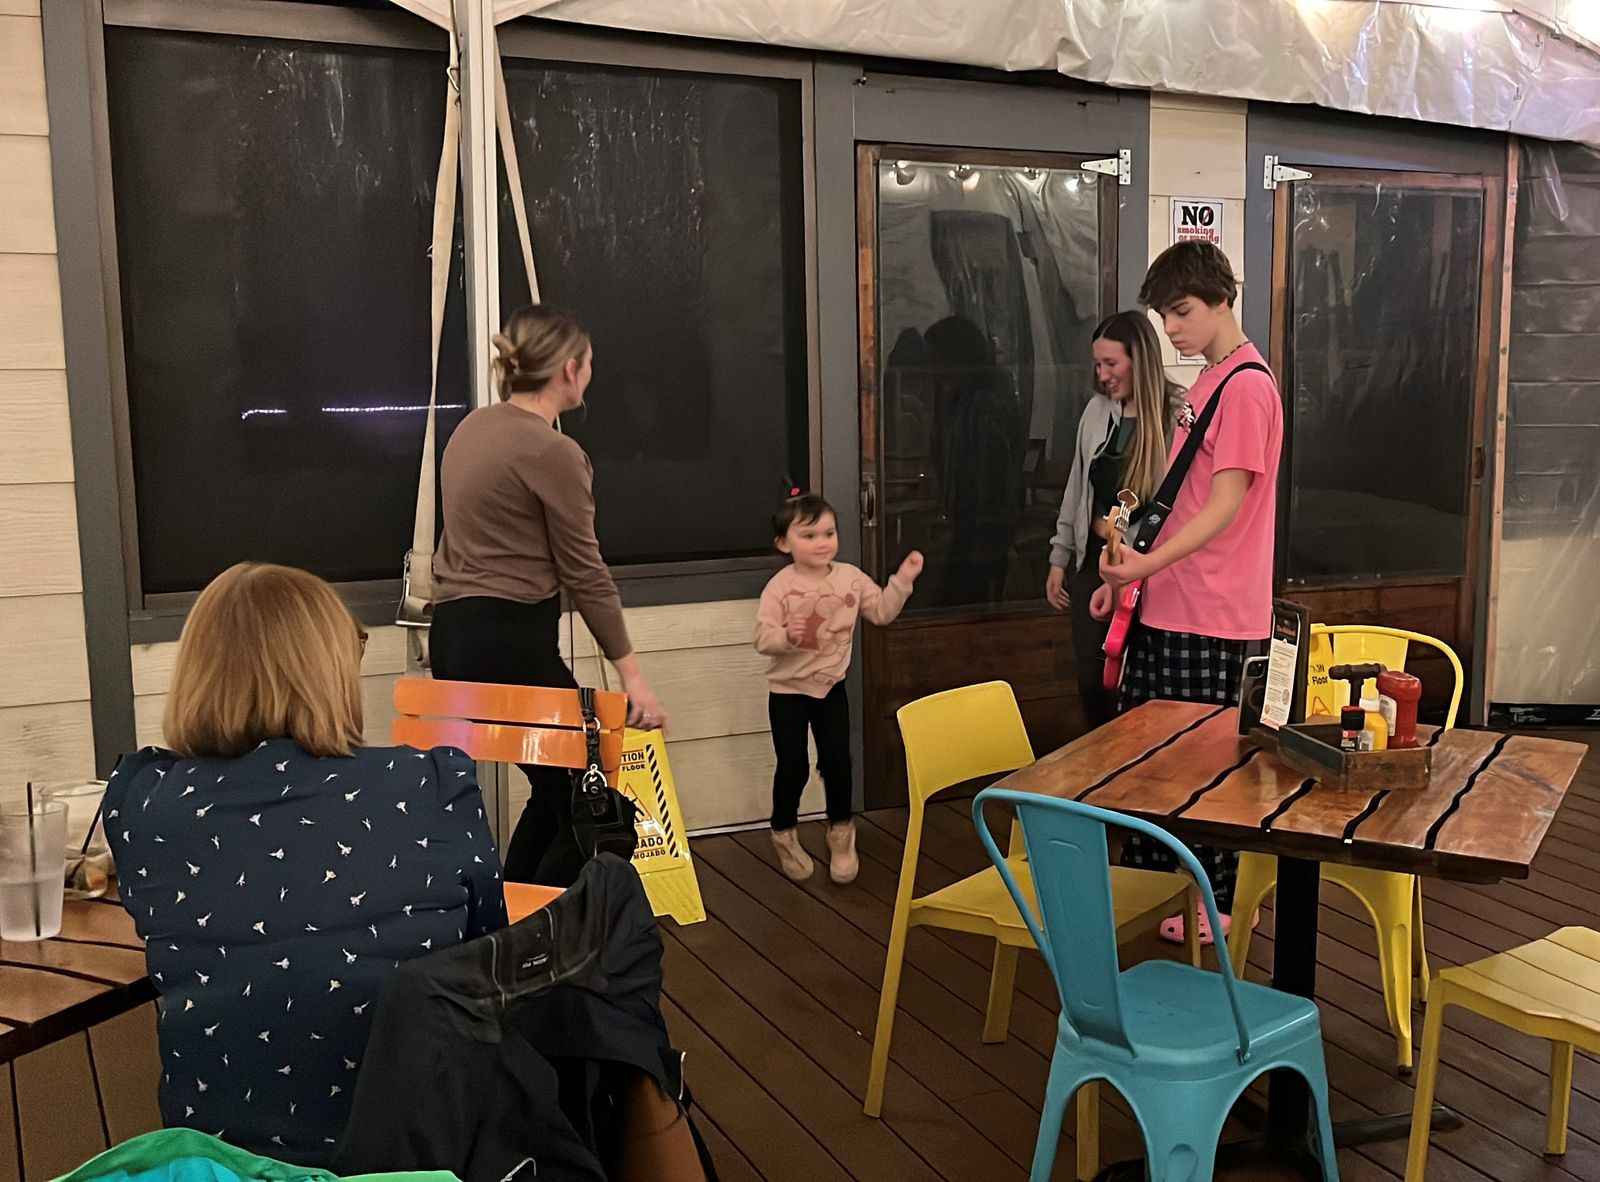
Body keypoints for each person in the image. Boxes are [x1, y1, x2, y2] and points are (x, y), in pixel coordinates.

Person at [104, 563, 507, 1164]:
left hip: (222, 1165)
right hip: (415, 1157)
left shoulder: (144, 803)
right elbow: (487, 948)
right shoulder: (431, 784)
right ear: (327, 671)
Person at [431, 304, 668, 886]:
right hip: (509, 642)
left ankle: (507, 922)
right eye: (588, 363)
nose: (590, 373)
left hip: (454, 641)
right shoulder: (552, 452)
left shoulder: (472, 429)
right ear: (569, 369)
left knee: (556, 792)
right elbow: (585, 572)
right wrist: (633, 677)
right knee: (596, 805)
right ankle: (542, 932)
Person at [1094, 242, 1283, 945]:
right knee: (1150, 770)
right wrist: (1135, 574)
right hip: (1173, 602)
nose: (1170, 328)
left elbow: (1224, 506)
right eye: (1164, 315)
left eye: (1182, 311)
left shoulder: (1247, 386)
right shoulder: (1210, 379)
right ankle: (1156, 892)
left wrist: (1144, 566)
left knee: (1206, 773)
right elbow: (1184, 498)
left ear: (1222, 299)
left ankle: (1224, 902)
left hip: (1215, 614)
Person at [754, 492, 923, 884]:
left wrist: (902, 581)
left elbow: (881, 612)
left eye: (828, 533)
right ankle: (784, 833)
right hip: (788, 693)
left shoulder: (850, 578)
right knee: (793, 767)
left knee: (837, 763)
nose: (822, 542)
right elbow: (763, 639)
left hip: (831, 689)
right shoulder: (780, 587)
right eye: (809, 535)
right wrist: (786, 636)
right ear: (784, 544)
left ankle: (841, 832)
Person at [1045, 311, 1185, 729]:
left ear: (1139, 360)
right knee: (1093, 684)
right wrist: (1059, 556)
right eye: (1097, 364)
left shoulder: (1177, 413)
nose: (1102, 375)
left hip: (1148, 570)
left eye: (1111, 363)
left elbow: (1174, 501)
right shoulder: (1096, 411)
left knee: (1142, 689)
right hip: (1094, 564)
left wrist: (1125, 543)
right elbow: (1077, 486)